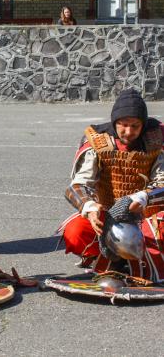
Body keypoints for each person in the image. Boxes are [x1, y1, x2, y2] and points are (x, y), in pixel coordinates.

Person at [61, 88, 164, 281]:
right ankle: (106, 256)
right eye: (123, 125)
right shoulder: (98, 142)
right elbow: (77, 186)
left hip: (147, 214)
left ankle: (144, 258)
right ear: (114, 122)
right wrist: (89, 208)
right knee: (75, 232)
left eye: (135, 126)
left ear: (143, 124)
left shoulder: (157, 140)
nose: (128, 131)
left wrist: (144, 197)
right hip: (108, 214)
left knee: (161, 229)